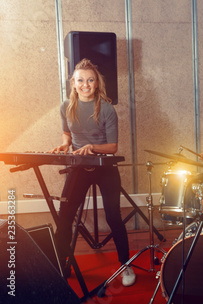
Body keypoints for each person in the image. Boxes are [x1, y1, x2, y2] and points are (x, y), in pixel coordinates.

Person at [50, 58, 135, 287]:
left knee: (113, 216)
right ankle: (61, 263)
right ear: (73, 83)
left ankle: (126, 265)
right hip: (79, 167)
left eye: (90, 80)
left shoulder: (106, 108)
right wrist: (65, 145)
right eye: (80, 80)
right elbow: (67, 133)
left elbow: (113, 147)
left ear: (97, 83)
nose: (85, 84)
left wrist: (92, 147)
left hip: (105, 168)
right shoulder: (65, 106)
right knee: (64, 214)